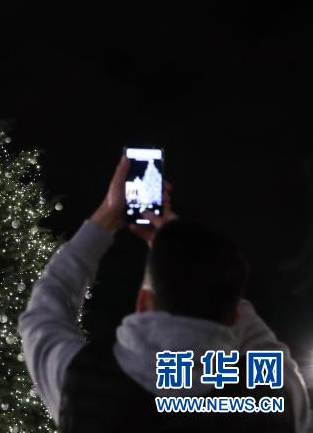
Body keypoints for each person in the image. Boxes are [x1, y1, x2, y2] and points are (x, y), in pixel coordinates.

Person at [18, 155, 310, 432]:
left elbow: (44, 314)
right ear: (235, 313)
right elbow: (265, 350)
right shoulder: (272, 394)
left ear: (144, 302)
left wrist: (106, 215)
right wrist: (189, 252)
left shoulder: (84, 382)